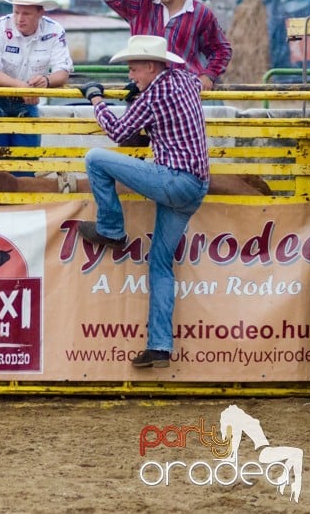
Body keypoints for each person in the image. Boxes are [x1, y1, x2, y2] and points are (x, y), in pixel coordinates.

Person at [76, 35, 210, 369]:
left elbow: (119, 133)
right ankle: (160, 347)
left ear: (151, 66)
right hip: (195, 185)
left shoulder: (155, 95)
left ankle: (111, 229)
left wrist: (96, 100)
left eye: (134, 69)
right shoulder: (185, 79)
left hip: (174, 179)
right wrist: (137, 94)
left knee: (95, 158)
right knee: (161, 264)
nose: (131, 75)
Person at [0, 0, 73, 175]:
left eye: (26, 14)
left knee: (25, 166)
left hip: (27, 101)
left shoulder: (55, 31)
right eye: (16, 12)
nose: (19, 18)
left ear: (40, 12)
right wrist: (23, 87)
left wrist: (46, 81)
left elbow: (63, 70)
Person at [99, 0, 233, 90]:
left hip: (183, 92)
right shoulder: (142, 3)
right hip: (143, 92)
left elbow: (221, 49)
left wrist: (208, 75)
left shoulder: (200, 13)